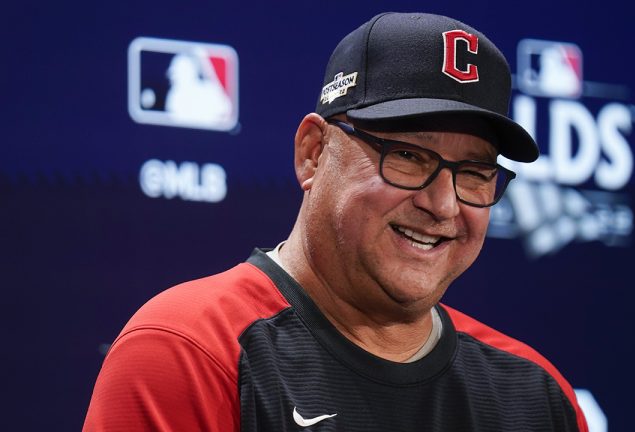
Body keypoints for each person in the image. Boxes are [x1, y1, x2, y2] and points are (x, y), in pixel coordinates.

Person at [84, 12, 588, 432]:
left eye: (475, 173)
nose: (444, 204)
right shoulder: (190, 351)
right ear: (313, 153)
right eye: (409, 155)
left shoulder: (536, 395)